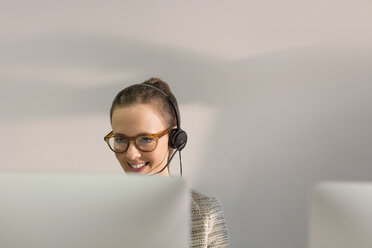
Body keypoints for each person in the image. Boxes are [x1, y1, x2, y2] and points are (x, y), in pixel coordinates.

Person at [104, 78, 229, 248]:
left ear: (174, 139)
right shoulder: (98, 212)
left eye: (146, 139)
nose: (131, 154)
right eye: (120, 139)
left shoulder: (205, 212)